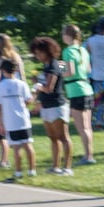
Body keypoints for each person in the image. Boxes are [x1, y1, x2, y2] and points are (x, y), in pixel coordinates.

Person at [30, 36, 72, 175]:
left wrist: (38, 85)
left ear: (47, 51)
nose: (37, 56)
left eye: (39, 53)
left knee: (63, 137)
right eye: (36, 53)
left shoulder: (54, 65)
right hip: (47, 105)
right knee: (53, 138)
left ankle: (67, 168)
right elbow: (65, 72)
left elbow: (49, 88)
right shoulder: (48, 66)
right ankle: (55, 166)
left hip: (57, 105)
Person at [0, 58, 36, 180]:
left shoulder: (0, 87)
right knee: (28, 145)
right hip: (23, 119)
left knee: (16, 147)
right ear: (15, 70)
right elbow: (29, 100)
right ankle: (32, 170)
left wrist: (0, 123)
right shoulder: (22, 84)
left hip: (10, 121)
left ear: (3, 71)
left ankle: (18, 172)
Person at [60, 25, 97, 164]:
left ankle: (88, 156)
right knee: (88, 126)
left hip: (75, 90)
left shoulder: (67, 51)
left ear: (67, 35)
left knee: (81, 127)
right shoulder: (83, 50)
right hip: (87, 88)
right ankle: (89, 153)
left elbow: (69, 72)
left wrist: (59, 69)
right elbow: (88, 69)